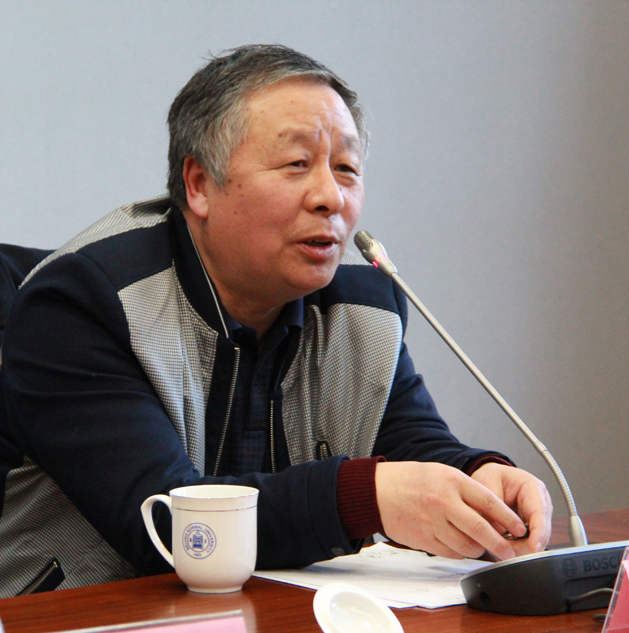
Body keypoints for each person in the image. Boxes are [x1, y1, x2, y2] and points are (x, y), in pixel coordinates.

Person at [0, 44, 551, 597]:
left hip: (271, 611)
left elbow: (409, 441)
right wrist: (362, 497)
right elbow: (169, 526)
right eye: (296, 165)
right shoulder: (85, 304)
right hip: (81, 615)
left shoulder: (362, 305)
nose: (330, 197)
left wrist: (477, 481)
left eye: (346, 169)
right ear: (199, 185)